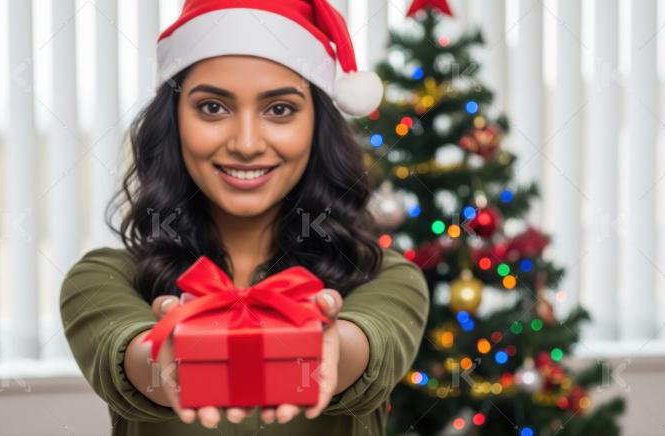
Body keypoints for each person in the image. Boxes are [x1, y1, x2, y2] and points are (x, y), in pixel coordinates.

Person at [60, 1, 430, 435]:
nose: (247, 143)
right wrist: (166, 358)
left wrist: (326, 349)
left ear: (317, 126)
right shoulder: (102, 279)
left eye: (279, 110)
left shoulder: (386, 277)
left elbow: (363, 346)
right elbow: (130, 358)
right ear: (174, 121)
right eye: (214, 108)